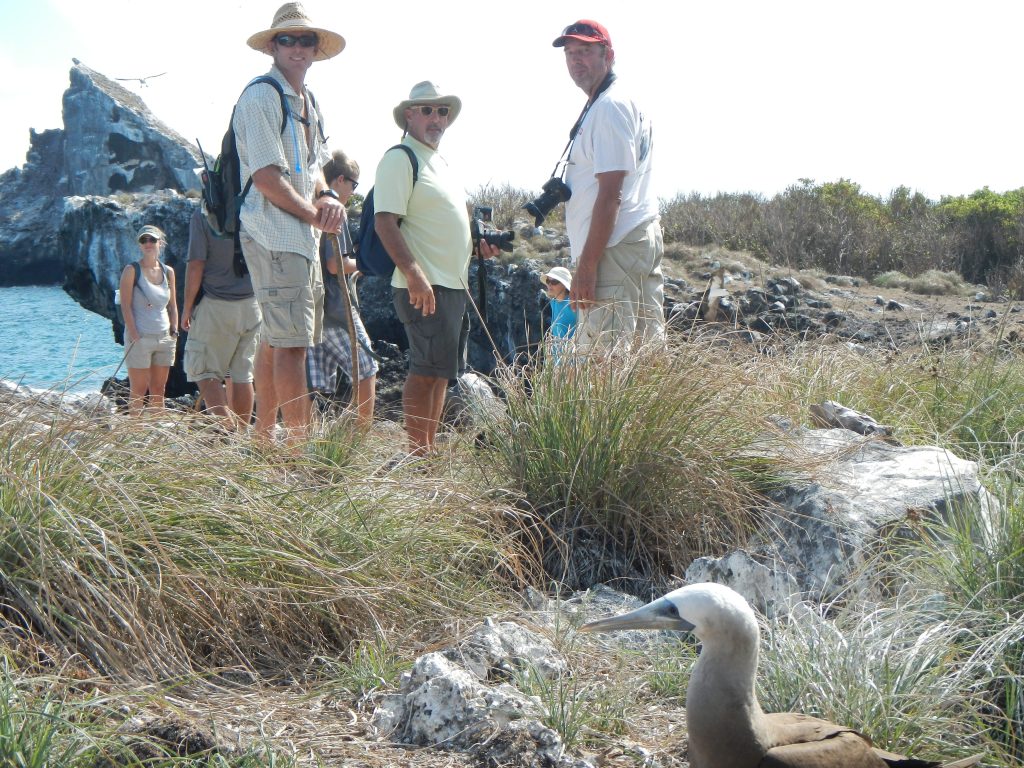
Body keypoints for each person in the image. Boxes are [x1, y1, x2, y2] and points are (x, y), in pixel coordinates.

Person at [234, 2, 345, 443]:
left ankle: (264, 439)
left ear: (315, 48)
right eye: (287, 39)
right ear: (273, 47)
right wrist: (314, 213)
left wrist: (327, 195)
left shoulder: (308, 102)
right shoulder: (261, 96)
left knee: (277, 339)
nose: (297, 47)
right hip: (274, 235)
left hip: (300, 239)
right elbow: (266, 178)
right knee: (293, 346)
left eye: (306, 39)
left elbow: (314, 168)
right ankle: (301, 453)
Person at [373, 81, 499, 456]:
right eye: (427, 110)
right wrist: (414, 274)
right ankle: (418, 454)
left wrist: (478, 247)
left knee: (441, 372)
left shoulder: (439, 163)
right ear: (409, 115)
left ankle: (426, 452)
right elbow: (384, 222)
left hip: (452, 285)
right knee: (425, 370)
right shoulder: (400, 158)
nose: (436, 118)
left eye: (442, 111)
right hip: (425, 284)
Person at [552, 20, 665, 352]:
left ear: (609, 56)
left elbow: (611, 193)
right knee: (646, 353)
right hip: (634, 238)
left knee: (604, 358)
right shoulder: (616, 102)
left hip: (613, 247)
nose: (576, 60)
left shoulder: (609, 108)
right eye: (570, 53)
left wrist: (587, 267)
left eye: (586, 51)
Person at [307, 149, 378, 428]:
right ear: (339, 180)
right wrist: (365, 263)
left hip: (313, 308)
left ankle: (309, 441)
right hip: (337, 310)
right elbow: (334, 264)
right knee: (366, 369)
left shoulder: (311, 206)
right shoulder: (335, 210)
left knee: (313, 384)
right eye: (353, 184)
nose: (353, 191)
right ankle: (357, 437)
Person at [181, 208, 261, 430]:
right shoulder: (252, 205)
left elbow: (196, 263)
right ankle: (241, 435)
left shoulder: (203, 213)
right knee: (243, 374)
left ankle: (228, 430)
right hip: (252, 303)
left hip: (217, 303)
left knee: (204, 371)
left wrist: (187, 307)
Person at [119, 225, 178, 416]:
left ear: (160, 243)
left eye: (152, 240)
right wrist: (134, 334)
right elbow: (125, 305)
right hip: (140, 338)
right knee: (138, 390)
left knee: (159, 390)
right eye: (143, 240)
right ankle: (135, 429)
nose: (148, 244)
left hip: (164, 337)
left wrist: (174, 330)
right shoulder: (131, 270)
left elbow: (173, 305)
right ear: (139, 245)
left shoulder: (168, 271)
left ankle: (155, 428)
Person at [542, 266, 577, 364]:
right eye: (548, 281)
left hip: (572, 360)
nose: (549, 284)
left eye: (554, 282)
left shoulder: (573, 303)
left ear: (564, 285)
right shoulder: (553, 303)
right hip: (557, 359)